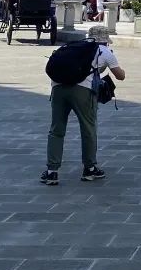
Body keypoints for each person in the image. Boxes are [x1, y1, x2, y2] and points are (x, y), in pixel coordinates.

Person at [40, 24, 124, 185]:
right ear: (106, 40)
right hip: (83, 91)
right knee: (88, 128)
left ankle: (52, 172)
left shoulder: (70, 47)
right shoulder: (104, 51)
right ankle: (89, 169)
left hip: (58, 88)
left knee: (56, 129)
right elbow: (120, 76)